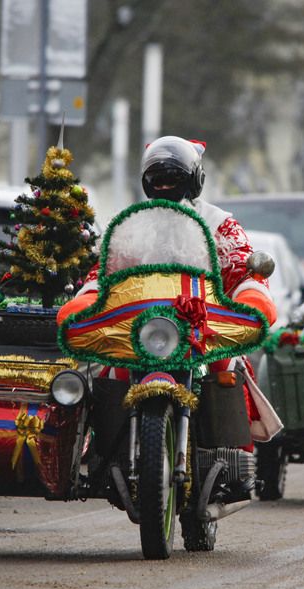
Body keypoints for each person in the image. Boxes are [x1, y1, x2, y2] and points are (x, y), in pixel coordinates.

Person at [57, 136, 280, 496]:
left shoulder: (219, 222)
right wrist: (87, 300)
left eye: (172, 176)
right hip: (138, 329)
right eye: (156, 176)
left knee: (226, 367)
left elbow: (241, 268)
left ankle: (230, 464)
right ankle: (102, 456)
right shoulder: (129, 222)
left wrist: (252, 295)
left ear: (194, 177)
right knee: (104, 371)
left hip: (198, 327)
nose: (163, 183)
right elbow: (104, 271)